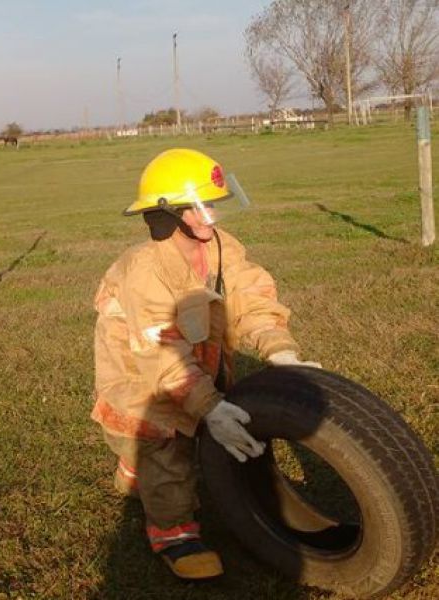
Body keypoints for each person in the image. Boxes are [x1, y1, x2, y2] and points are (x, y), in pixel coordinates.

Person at [92, 148, 320, 580]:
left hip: (194, 355)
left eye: (212, 202)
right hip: (141, 373)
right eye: (200, 206)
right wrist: (209, 407)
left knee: (193, 418)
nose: (211, 215)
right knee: (168, 443)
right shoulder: (145, 271)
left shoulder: (219, 246)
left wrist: (279, 349)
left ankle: (133, 467)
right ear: (167, 215)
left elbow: (251, 294)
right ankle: (174, 534)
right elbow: (159, 356)